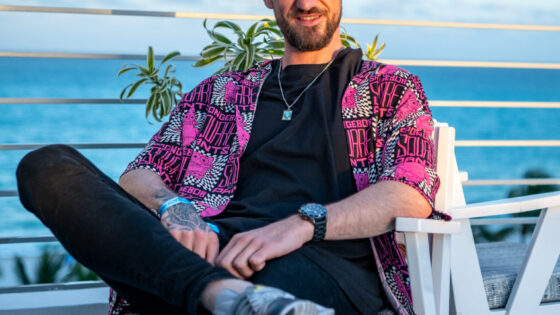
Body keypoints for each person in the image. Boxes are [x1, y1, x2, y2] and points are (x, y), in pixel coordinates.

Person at [16, 0, 445, 314]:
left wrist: (300, 226)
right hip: (208, 251)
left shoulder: (389, 88)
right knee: (45, 166)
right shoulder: (221, 92)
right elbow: (141, 174)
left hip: (324, 265)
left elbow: (409, 192)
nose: (306, 3)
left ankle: (218, 297)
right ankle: (221, 296)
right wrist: (176, 208)